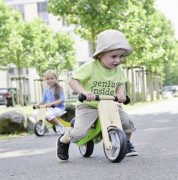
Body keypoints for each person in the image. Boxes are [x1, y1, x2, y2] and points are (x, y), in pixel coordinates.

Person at [56, 29, 138, 162]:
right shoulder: (90, 67)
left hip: (109, 105)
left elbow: (121, 82)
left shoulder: (118, 69)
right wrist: (84, 92)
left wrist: (120, 93)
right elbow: (72, 80)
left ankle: (126, 143)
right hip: (89, 106)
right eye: (113, 56)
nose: (118, 60)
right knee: (78, 133)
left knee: (128, 122)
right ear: (100, 55)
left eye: (121, 56)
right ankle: (63, 141)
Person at [33, 70, 65, 135]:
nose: (50, 80)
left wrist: (53, 104)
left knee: (47, 114)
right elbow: (43, 101)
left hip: (59, 108)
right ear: (45, 80)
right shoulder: (46, 90)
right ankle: (43, 127)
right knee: (35, 113)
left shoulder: (59, 88)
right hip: (51, 108)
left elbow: (62, 99)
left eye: (52, 78)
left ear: (56, 79)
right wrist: (37, 104)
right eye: (47, 79)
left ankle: (60, 126)